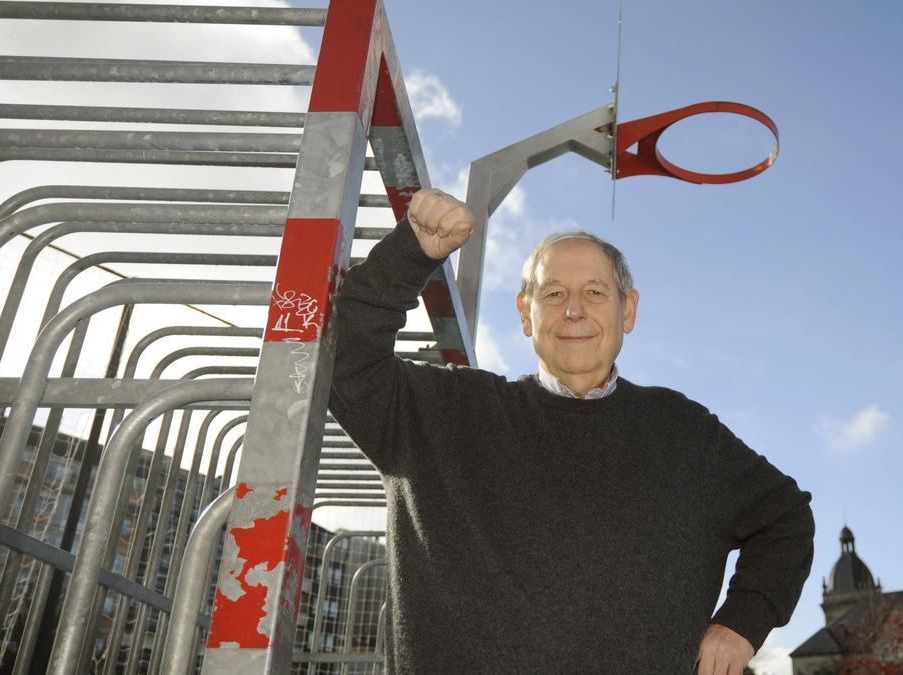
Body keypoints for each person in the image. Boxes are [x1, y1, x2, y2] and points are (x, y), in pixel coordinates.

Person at [330, 188, 815, 674]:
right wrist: (409, 251)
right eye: (554, 293)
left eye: (595, 292)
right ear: (526, 313)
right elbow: (346, 361)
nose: (574, 310)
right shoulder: (442, 413)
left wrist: (741, 623)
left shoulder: (684, 433)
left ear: (628, 310)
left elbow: (786, 519)